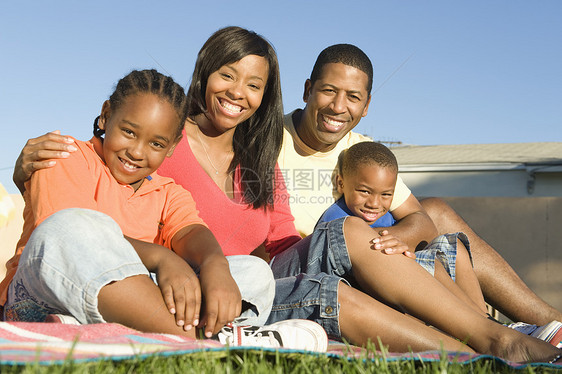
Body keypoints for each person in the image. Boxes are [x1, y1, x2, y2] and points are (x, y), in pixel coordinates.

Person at [10, 29, 561, 362]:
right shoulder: (168, 142)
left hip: (249, 273)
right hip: (178, 279)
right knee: (323, 256)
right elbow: (79, 211)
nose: (238, 94)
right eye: (227, 76)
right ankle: (486, 341)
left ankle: (485, 343)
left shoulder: (256, 155)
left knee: (363, 236)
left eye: (253, 85)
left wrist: (305, 264)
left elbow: (260, 236)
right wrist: (23, 170)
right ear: (204, 75)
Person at [1, 68, 327, 351]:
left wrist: (213, 263)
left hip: (134, 294)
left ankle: (93, 327)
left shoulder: (167, 191)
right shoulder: (65, 155)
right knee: (70, 226)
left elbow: (190, 230)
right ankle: (216, 338)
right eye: (129, 131)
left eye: (156, 143)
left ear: (172, 147)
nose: (137, 152)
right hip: (39, 291)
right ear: (105, 115)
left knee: (253, 272)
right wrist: (162, 258)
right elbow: (63, 240)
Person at [276, 43, 562, 327]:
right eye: (328, 91)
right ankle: (490, 331)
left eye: (353, 96)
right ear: (307, 90)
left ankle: (548, 324)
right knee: (369, 236)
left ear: (366, 106)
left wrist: (391, 238)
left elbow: (422, 219)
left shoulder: (361, 151)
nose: (338, 107)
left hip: (363, 259)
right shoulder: (269, 139)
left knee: (435, 209)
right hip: (302, 266)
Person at [317, 141, 488, 316]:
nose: (374, 204)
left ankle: (484, 315)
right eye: (365, 192)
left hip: (406, 277)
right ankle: (479, 322)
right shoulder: (336, 221)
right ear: (341, 184)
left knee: (454, 246)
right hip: (373, 292)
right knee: (430, 266)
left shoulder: (389, 216)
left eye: (386, 194)